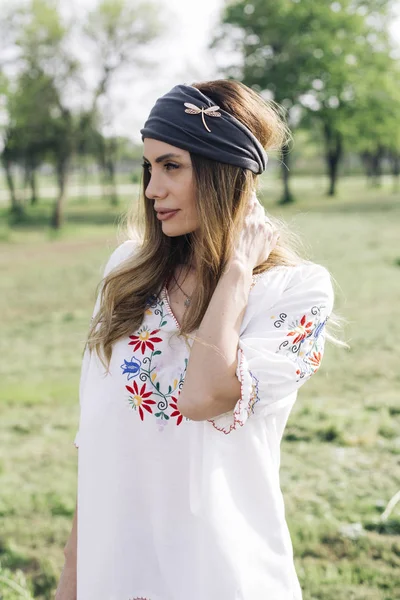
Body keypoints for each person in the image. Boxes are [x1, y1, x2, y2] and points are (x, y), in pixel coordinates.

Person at [56, 80, 338, 600]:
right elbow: (99, 439)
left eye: (171, 166)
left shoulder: (296, 292)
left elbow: (202, 397)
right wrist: (73, 576)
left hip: (222, 576)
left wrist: (234, 272)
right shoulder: (127, 274)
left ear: (223, 172)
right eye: (148, 168)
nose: (151, 190)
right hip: (118, 575)